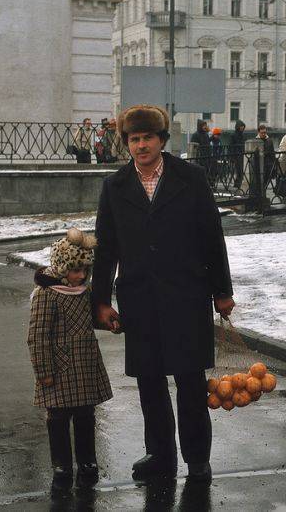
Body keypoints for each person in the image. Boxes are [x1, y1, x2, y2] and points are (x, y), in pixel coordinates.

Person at [92, 104, 234, 485]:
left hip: (187, 295)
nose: (141, 145)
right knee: (150, 383)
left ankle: (197, 459)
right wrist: (102, 302)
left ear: (162, 140)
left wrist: (222, 291)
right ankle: (160, 455)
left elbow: (211, 238)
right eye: (134, 139)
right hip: (140, 300)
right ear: (127, 144)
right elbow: (106, 248)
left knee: (190, 382)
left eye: (147, 138)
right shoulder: (115, 187)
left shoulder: (191, 178)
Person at [28, 228, 112, 493]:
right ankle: (62, 465)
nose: (81, 276)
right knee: (58, 418)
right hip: (59, 368)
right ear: (63, 268)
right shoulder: (47, 294)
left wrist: (111, 322)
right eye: (76, 270)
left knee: (86, 415)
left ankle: (87, 461)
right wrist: (44, 372)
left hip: (84, 366)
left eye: (85, 270)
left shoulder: (82, 292)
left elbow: (89, 321)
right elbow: (37, 336)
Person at [256, 124, 276, 190]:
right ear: (259, 132)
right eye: (262, 133)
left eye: (265, 132)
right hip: (259, 164)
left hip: (268, 163)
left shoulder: (269, 140)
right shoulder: (255, 140)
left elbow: (272, 153)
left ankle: (263, 193)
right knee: (260, 181)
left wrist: (274, 163)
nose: (264, 134)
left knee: (267, 180)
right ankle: (261, 194)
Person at [230, 120, 247, 188]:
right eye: (241, 126)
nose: (242, 128)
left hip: (242, 155)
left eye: (243, 126)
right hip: (236, 155)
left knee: (241, 170)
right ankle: (237, 184)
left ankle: (238, 184)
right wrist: (232, 157)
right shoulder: (233, 135)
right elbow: (231, 146)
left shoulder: (242, 135)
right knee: (239, 170)